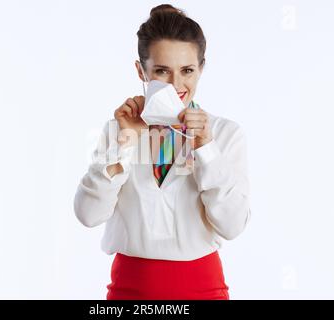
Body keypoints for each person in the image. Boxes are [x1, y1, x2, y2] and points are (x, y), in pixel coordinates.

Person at [74, 4, 251, 300]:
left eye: (187, 70)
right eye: (161, 71)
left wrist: (206, 148)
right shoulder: (118, 130)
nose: (176, 84)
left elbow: (232, 226)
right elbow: (88, 215)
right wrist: (125, 142)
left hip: (203, 289)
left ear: (201, 69)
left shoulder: (224, 134)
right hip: (129, 291)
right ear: (140, 70)